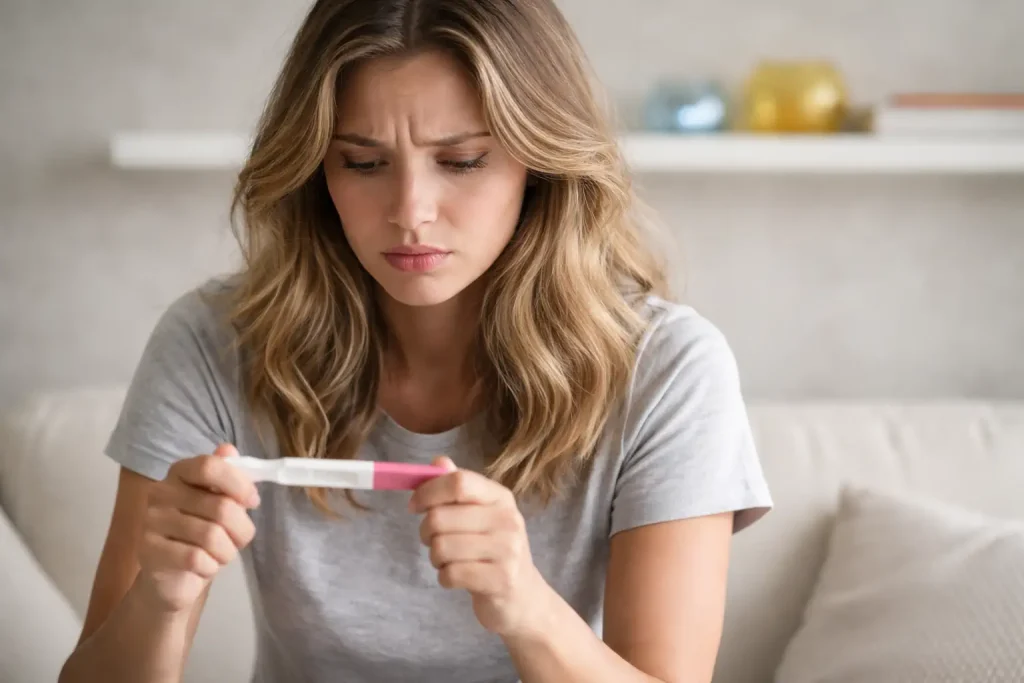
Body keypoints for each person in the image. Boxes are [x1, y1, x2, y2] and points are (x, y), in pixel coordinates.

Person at [59, 1, 772, 682]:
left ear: (541, 165)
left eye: (461, 160)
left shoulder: (667, 368)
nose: (410, 213)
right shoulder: (213, 344)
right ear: (316, 170)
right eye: (364, 164)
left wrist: (527, 607)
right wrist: (162, 595)